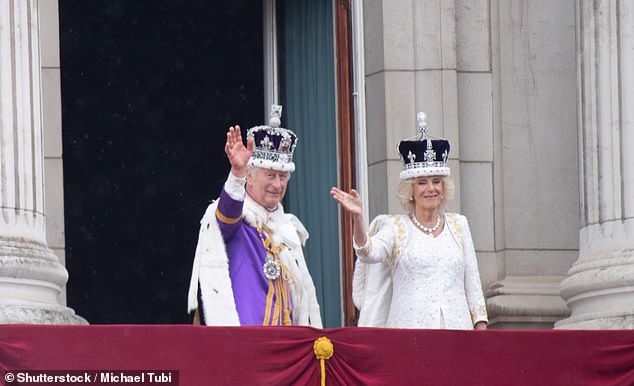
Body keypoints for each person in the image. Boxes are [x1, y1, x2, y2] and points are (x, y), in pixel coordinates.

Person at [331, 112, 488, 330]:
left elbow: (473, 285)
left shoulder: (459, 225)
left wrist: (481, 333)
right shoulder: (395, 227)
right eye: (422, 182)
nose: (431, 188)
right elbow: (368, 252)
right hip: (409, 335)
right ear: (411, 190)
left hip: (458, 334)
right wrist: (358, 218)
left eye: (436, 182)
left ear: (443, 189)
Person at [187, 105, 322, 327]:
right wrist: (236, 175)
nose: (277, 185)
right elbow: (226, 216)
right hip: (245, 344)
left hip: (287, 344)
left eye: (283, 177)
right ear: (250, 177)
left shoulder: (288, 229)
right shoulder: (238, 220)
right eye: (270, 175)